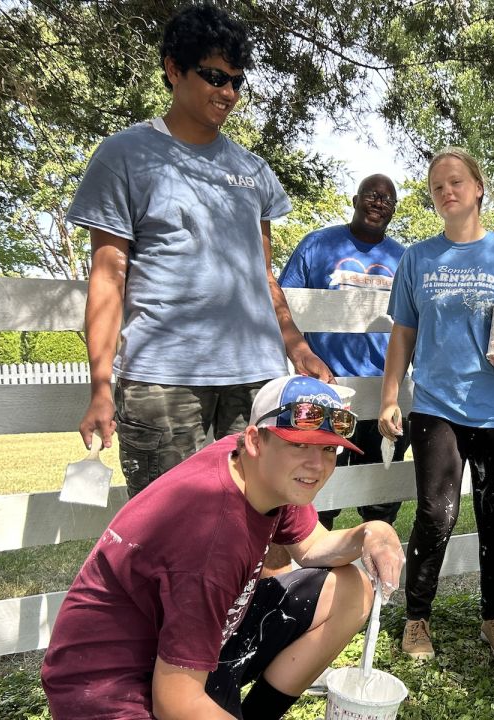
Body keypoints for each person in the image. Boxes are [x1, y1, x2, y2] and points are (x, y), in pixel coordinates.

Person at [71, 4, 328, 499]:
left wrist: (296, 346)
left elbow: (262, 275)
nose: (228, 93)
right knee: (168, 526)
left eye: (236, 81)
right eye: (214, 77)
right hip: (162, 379)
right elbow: (107, 279)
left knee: (258, 524)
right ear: (173, 68)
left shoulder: (252, 170)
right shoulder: (124, 155)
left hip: (255, 376)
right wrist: (100, 386)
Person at [41, 375, 405, 720]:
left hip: (176, 650)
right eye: (298, 444)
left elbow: (313, 547)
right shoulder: (213, 540)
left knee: (350, 588)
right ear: (255, 440)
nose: (316, 465)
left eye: (328, 449)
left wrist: (373, 531)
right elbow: (175, 702)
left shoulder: (258, 470)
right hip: (107, 689)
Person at [380, 147, 494, 662]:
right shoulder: (418, 257)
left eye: (456, 182)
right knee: (436, 512)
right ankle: (417, 619)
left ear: (479, 188)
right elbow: (403, 333)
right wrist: (391, 396)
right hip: (436, 405)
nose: (447, 192)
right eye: (437, 186)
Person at [279, 174, 408, 531]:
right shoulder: (317, 246)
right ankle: (315, 580)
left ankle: (376, 581)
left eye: (388, 199)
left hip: (386, 394)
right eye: (372, 194)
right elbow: (284, 306)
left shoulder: (404, 258)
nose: (379, 202)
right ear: (354, 199)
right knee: (318, 497)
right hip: (327, 392)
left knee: (381, 497)